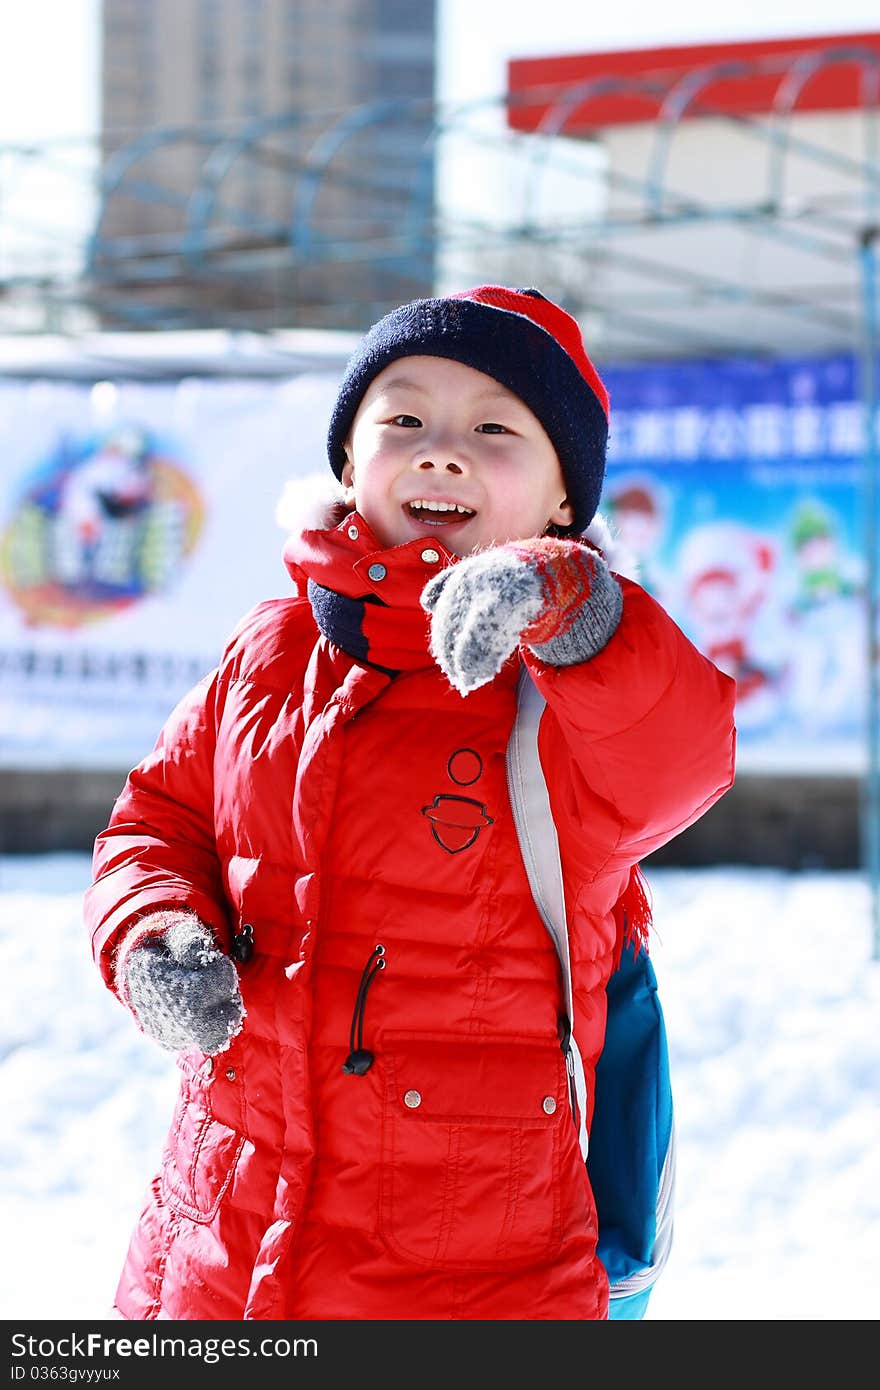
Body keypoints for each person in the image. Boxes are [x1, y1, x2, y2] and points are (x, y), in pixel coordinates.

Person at [83, 285, 736, 1321]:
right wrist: (151, 927)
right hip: (222, 1241)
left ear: (565, 500)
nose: (440, 451)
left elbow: (682, 756)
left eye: (492, 428)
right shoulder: (271, 649)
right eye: (403, 420)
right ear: (349, 465)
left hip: (474, 1268)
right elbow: (158, 819)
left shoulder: (567, 686)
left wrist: (574, 610)